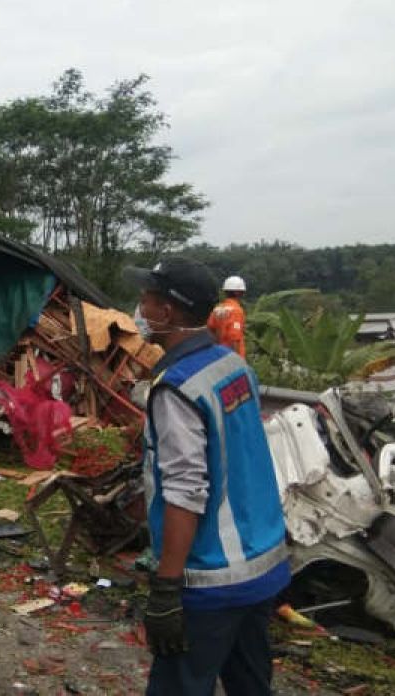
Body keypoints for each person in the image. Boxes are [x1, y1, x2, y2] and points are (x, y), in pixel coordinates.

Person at [124, 257, 289, 696]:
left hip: (212, 578)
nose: (140, 307)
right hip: (263, 564)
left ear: (168, 312)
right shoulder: (234, 367)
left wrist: (166, 587)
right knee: (251, 684)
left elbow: (184, 491)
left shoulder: (177, 387)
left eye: (147, 299)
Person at [207, 275, 248, 358]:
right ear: (238, 292)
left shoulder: (217, 309)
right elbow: (234, 338)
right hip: (230, 358)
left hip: (217, 356)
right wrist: (236, 362)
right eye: (242, 291)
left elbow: (209, 331)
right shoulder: (236, 310)